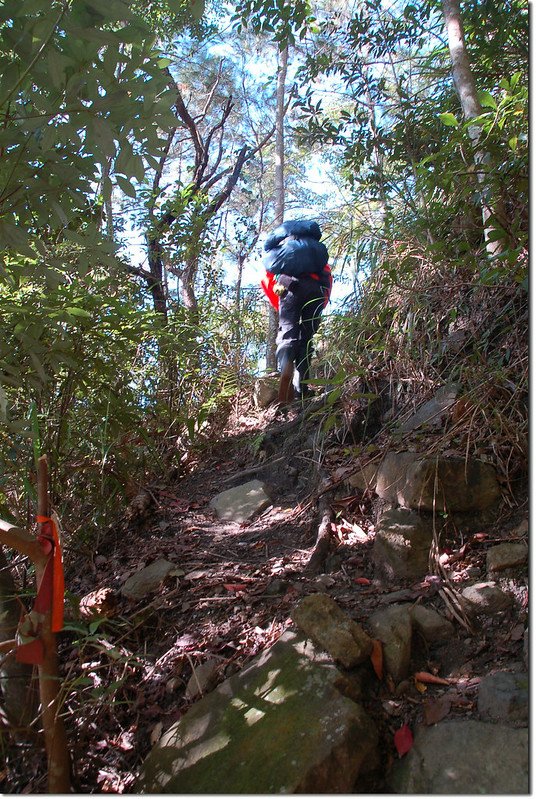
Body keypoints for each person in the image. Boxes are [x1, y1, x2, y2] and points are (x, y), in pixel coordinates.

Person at [261, 219, 332, 404]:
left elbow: (267, 279)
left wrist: (279, 305)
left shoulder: (282, 255)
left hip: (289, 289)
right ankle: (302, 388)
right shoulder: (317, 252)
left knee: (288, 334)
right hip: (315, 292)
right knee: (306, 339)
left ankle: (285, 366)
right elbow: (328, 277)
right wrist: (321, 303)